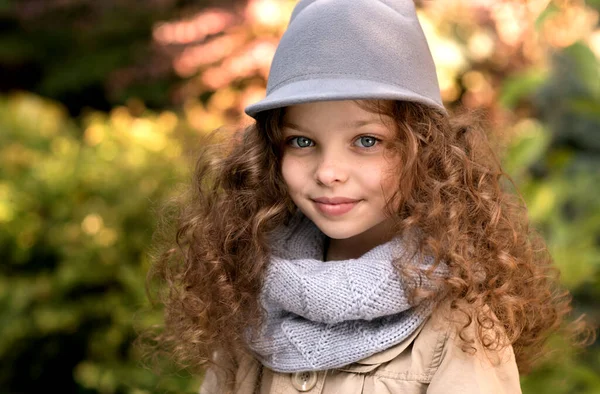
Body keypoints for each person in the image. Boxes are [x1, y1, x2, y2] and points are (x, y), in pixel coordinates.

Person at [148, 0, 587, 393]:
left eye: (366, 141)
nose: (329, 172)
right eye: (302, 142)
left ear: (423, 152)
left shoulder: (458, 327)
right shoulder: (252, 296)